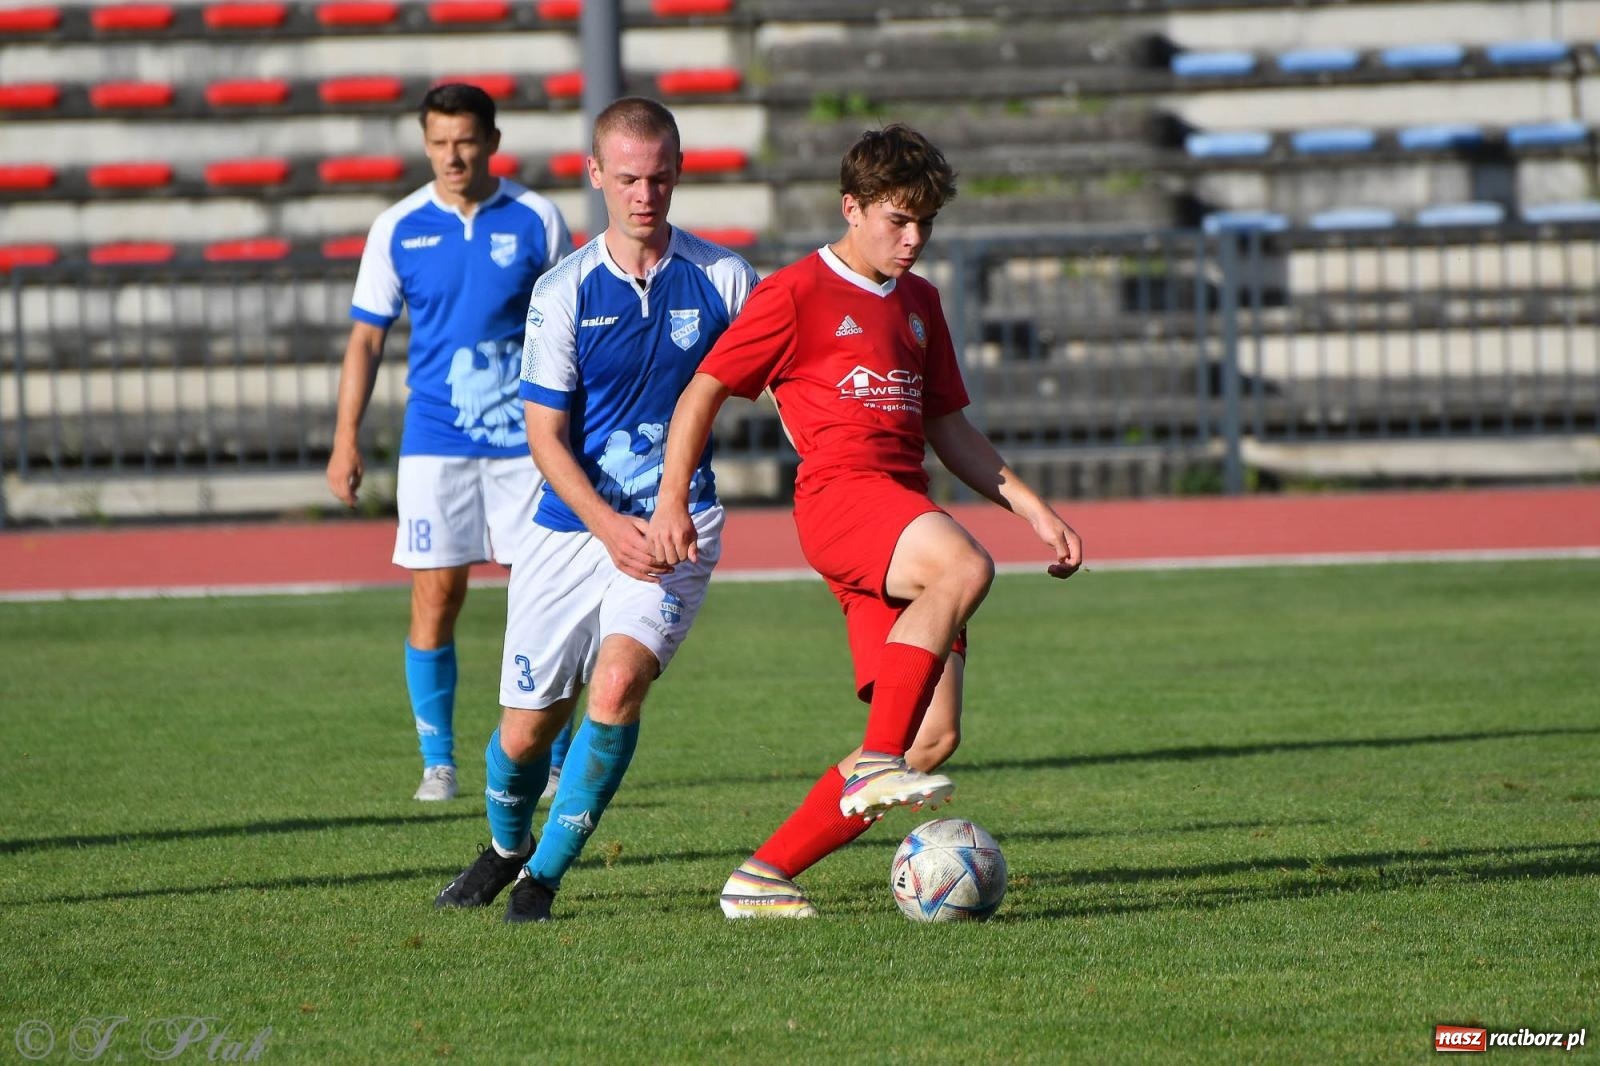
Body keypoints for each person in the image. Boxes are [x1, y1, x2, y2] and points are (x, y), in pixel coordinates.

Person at [645, 123, 1084, 918]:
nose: (914, 239)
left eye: (926, 223)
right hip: (843, 499)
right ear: (852, 208)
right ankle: (877, 757)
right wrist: (671, 496)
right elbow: (703, 391)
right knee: (964, 570)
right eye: (898, 221)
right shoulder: (794, 293)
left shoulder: (920, 302)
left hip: (902, 508)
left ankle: (762, 877)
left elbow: (947, 427)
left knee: (934, 739)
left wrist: (1030, 505)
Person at [433, 97, 759, 922]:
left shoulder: (724, 279)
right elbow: (544, 439)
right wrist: (610, 527)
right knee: (524, 735)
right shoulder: (565, 290)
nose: (644, 195)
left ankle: (541, 878)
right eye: (627, 179)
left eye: (658, 178)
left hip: (678, 525)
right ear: (595, 177)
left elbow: (787, 383)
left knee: (616, 686)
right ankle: (505, 849)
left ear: (678, 174)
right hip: (572, 530)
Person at [327, 83, 573, 802]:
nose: (451, 155)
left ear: (491, 142)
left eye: (464, 140)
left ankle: (551, 755)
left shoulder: (536, 219)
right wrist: (345, 441)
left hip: (527, 443)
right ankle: (439, 760)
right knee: (437, 596)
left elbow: (567, 325)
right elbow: (366, 338)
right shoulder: (397, 227)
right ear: (425, 143)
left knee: (545, 596)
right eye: (438, 142)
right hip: (435, 442)